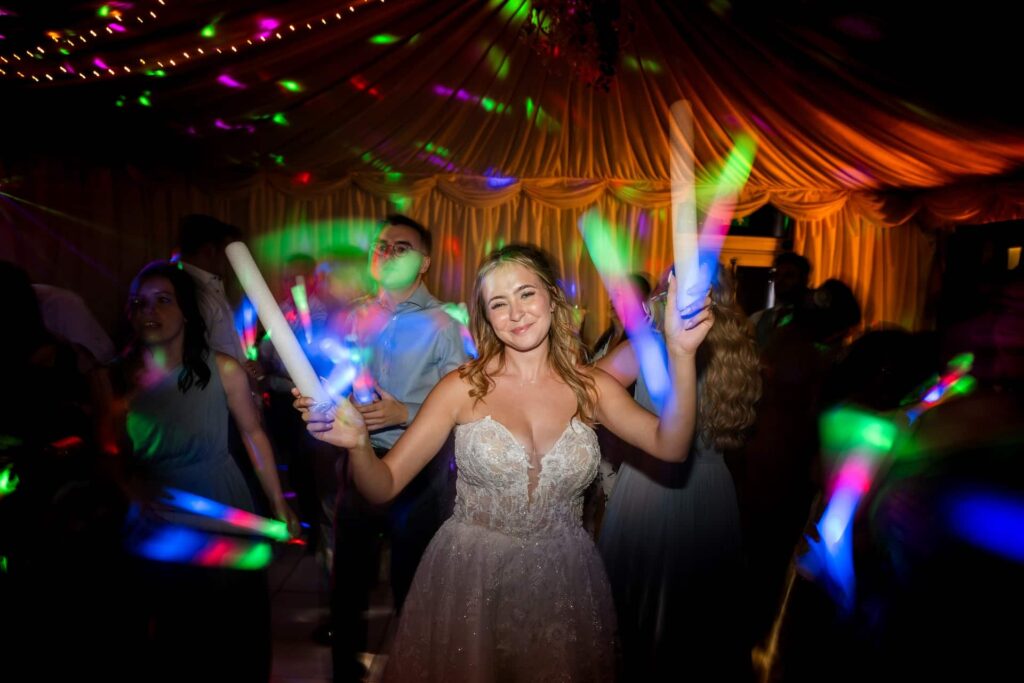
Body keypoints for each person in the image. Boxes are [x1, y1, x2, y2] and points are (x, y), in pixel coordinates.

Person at [295, 243, 713, 681]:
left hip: (562, 576)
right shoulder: (462, 388)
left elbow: (672, 446)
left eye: (526, 294)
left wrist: (682, 356)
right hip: (471, 573)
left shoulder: (593, 388)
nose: (515, 313)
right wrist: (359, 444)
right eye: (499, 303)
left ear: (552, 299)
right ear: (487, 319)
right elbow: (383, 485)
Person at [596, 266, 761, 681]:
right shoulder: (739, 345)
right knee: (702, 616)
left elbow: (591, 387)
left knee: (640, 609)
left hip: (653, 484)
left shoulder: (654, 343)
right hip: (713, 485)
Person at [329, 215, 469, 681]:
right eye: (381, 246)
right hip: (358, 458)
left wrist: (403, 412)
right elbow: (341, 377)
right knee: (348, 577)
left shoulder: (445, 321)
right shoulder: (355, 313)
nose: (387, 253)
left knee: (413, 579)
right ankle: (344, 670)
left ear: (424, 262)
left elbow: (464, 395)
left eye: (400, 247)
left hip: (420, 468)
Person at [177, 214, 247, 362]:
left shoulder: (212, 285)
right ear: (210, 251)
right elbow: (195, 355)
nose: (233, 262)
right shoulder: (188, 289)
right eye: (229, 253)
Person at [750, 251, 811, 347]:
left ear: (803, 280)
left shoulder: (811, 319)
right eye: (777, 275)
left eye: (788, 276)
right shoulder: (758, 318)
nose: (780, 281)